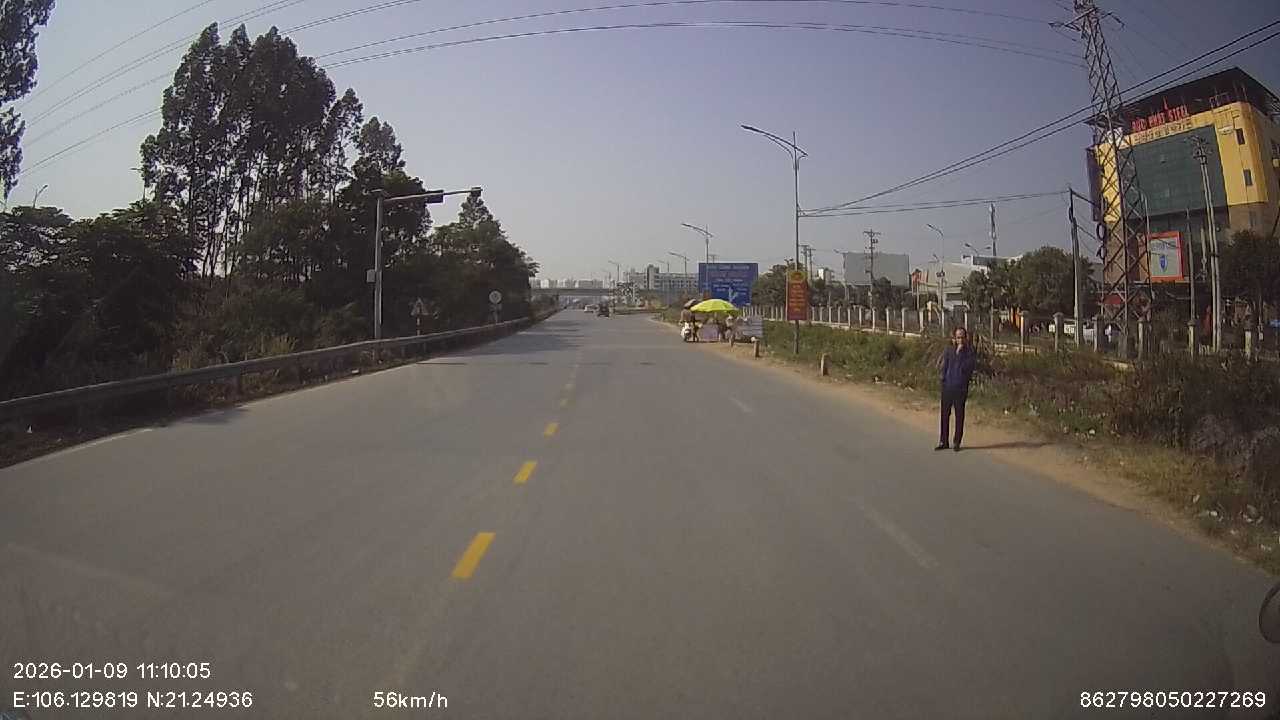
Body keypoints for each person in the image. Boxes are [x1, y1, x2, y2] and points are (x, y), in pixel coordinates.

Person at [936, 327, 976, 452]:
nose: (960, 340)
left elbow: (966, 368)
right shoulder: (949, 350)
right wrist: (943, 380)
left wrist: (960, 353)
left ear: (966, 338)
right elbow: (944, 366)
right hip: (948, 387)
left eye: (962, 337)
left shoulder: (969, 353)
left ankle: (957, 441)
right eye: (958, 337)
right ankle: (943, 441)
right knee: (944, 415)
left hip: (960, 388)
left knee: (959, 415)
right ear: (954, 338)